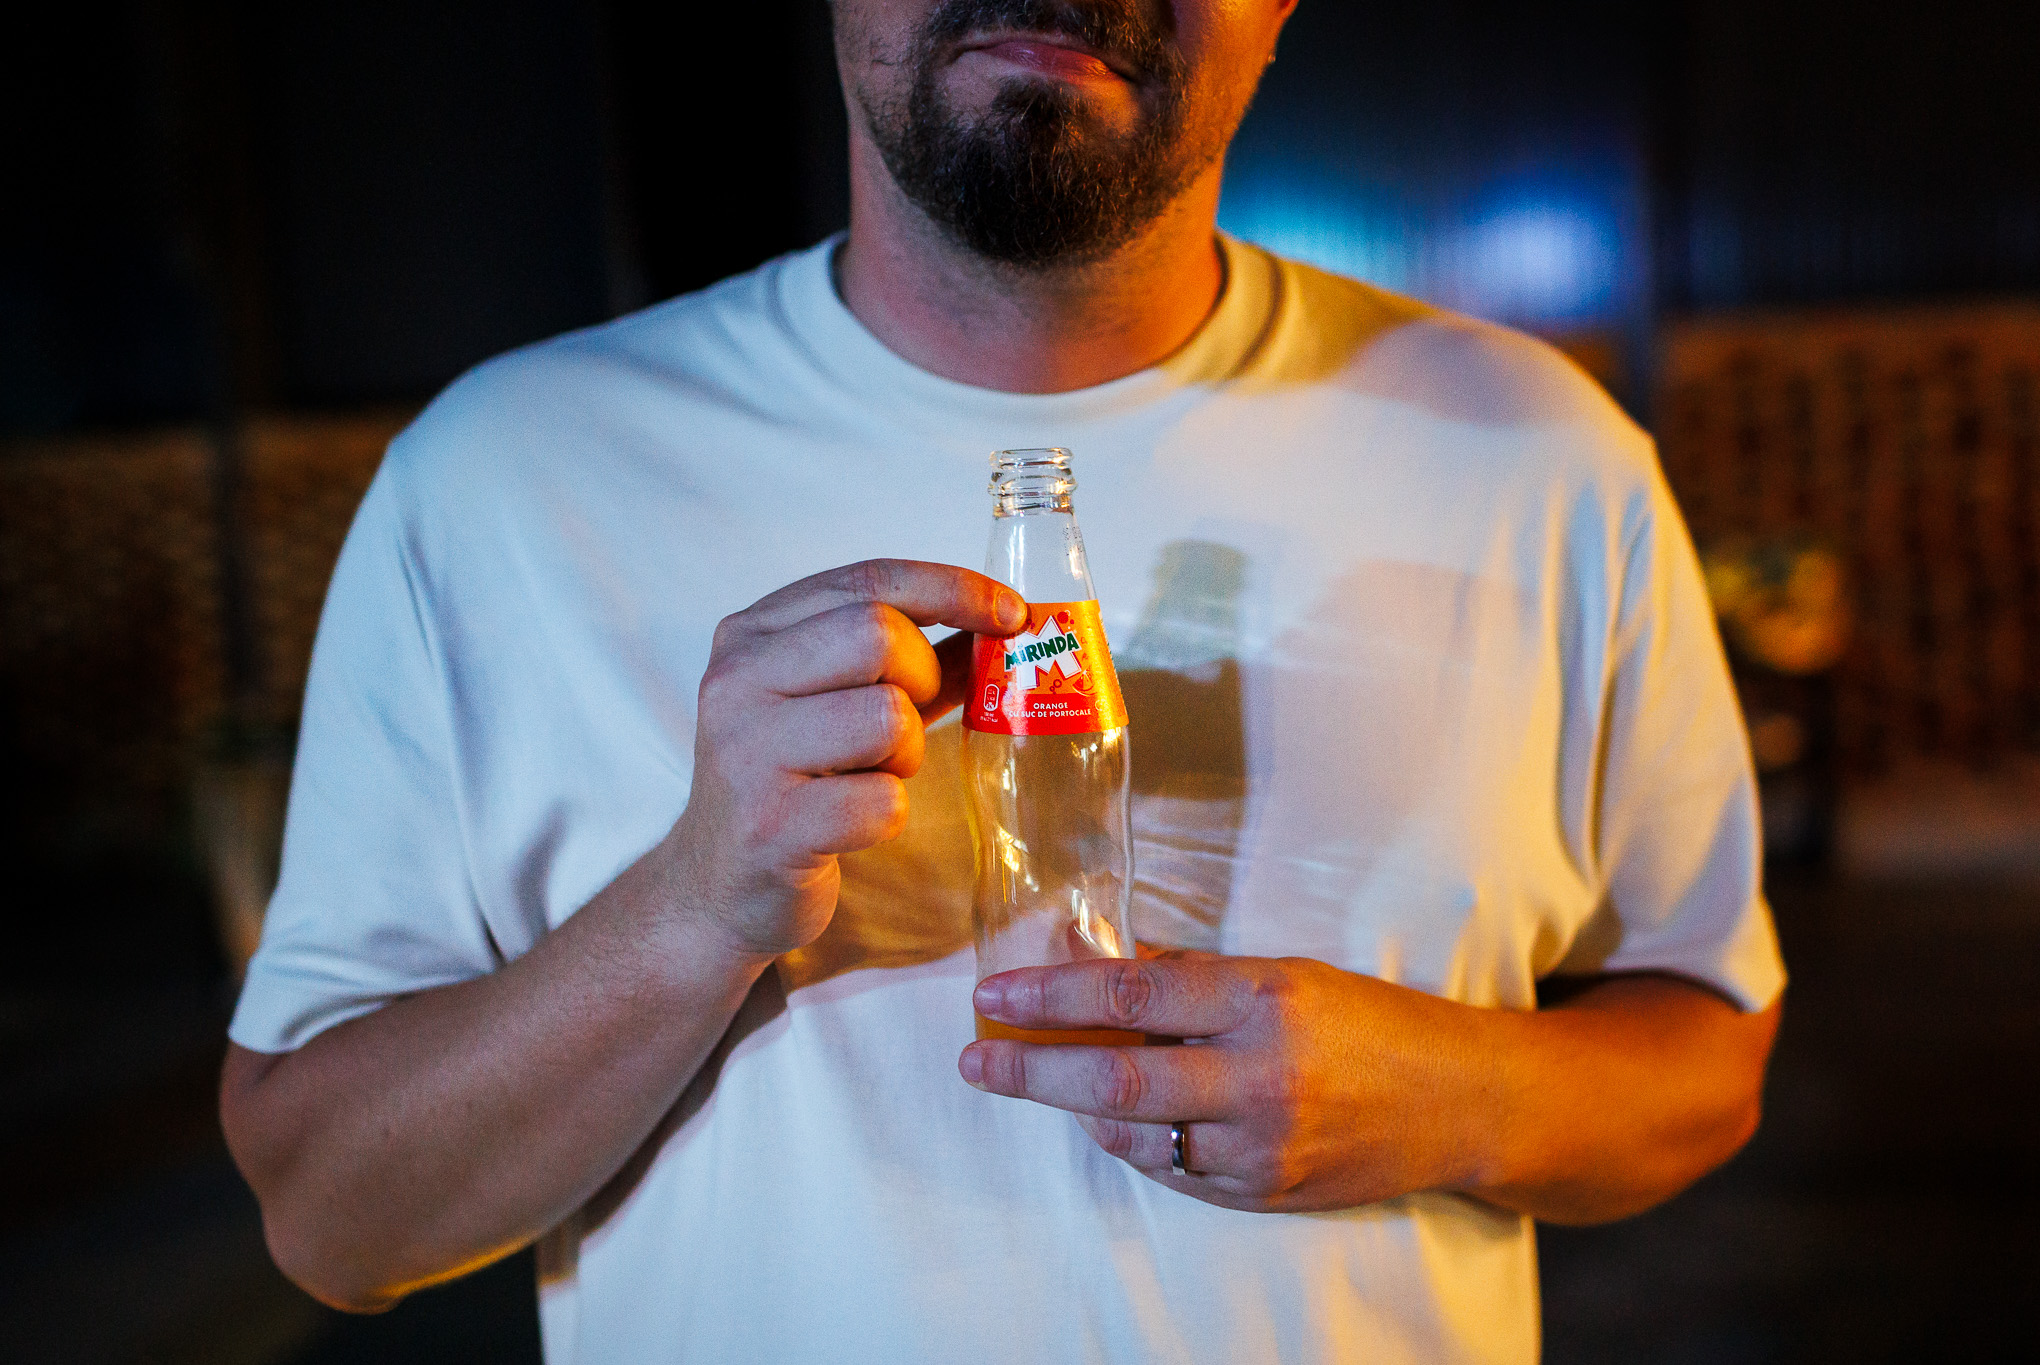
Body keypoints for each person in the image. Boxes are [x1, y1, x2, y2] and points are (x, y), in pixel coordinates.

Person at [220, 0, 1785, 1359]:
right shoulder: (501, 484)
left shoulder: (1538, 460)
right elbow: (330, 1219)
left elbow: (1707, 1055)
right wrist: (692, 903)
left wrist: (1461, 1094)